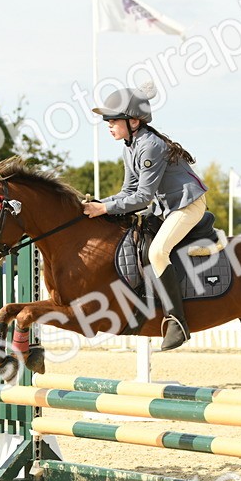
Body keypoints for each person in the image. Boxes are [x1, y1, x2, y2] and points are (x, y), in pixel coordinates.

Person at [83, 83, 207, 351]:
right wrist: (99, 204)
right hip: (166, 207)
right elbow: (128, 191)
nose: (108, 125)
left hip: (187, 205)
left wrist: (103, 209)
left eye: (113, 119)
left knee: (158, 252)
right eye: (107, 120)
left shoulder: (151, 146)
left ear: (133, 121)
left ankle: (177, 321)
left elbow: (142, 198)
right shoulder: (129, 146)